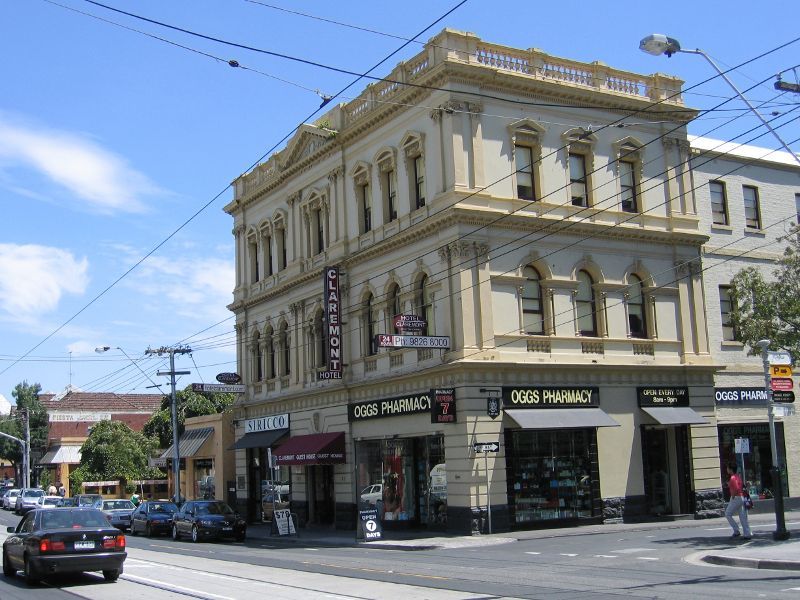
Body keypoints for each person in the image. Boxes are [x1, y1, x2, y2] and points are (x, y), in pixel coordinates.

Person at [725, 463, 751, 540]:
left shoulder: (733, 477)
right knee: (742, 517)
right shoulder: (737, 477)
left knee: (728, 514)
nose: (727, 469)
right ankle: (747, 534)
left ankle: (736, 530)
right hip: (741, 497)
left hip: (736, 498)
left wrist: (733, 495)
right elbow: (739, 486)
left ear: (730, 469)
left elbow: (736, 488)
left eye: (727, 468)